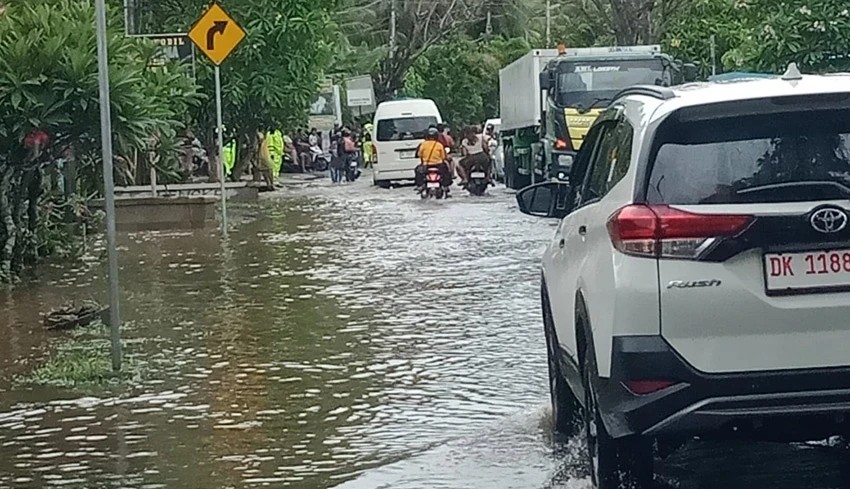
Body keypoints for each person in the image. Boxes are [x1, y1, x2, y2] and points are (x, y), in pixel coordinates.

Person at [415, 127, 451, 192]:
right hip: (439, 165)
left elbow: (419, 154)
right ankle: (446, 186)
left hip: (426, 165)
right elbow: (443, 157)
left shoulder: (423, 144)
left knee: (417, 171)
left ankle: (420, 186)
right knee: (447, 172)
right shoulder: (439, 145)